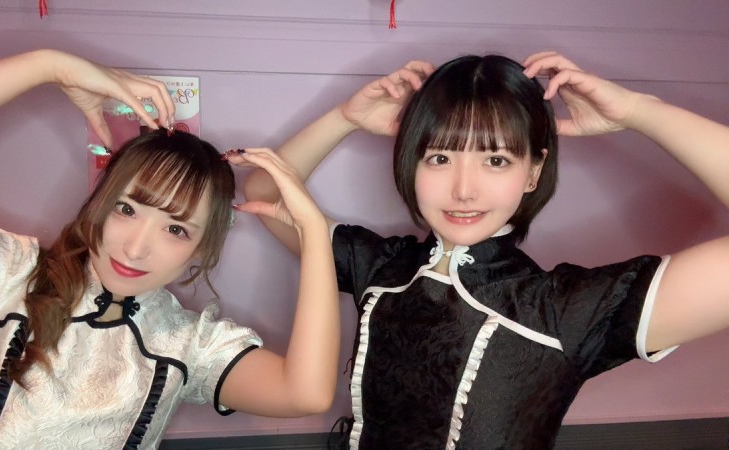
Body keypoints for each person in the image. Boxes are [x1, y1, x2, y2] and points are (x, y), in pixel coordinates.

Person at [241, 51, 729, 448]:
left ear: (532, 172)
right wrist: (343, 118)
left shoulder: (565, 310)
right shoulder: (380, 267)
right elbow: (264, 195)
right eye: (439, 157)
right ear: (411, 164)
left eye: (495, 160)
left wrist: (639, 111)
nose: (464, 190)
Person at [0, 49, 339, 449]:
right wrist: (50, 65)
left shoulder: (186, 344)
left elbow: (306, 394)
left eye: (176, 229)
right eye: (126, 209)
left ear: (201, 249)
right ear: (99, 203)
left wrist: (314, 232)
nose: (136, 248)